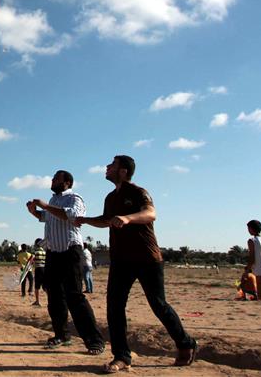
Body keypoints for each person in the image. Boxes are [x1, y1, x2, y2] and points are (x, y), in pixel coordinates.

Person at [77, 155, 197, 373]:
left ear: (123, 171)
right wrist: (85, 221)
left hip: (147, 259)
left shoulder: (139, 192)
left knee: (158, 305)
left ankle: (185, 343)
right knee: (114, 307)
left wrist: (127, 218)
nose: (107, 167)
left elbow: (151, 214)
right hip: (121, 260)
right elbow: (106, 220)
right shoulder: (110, 197)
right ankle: (122, 356)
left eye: (112, 165)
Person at [26, 170, 105, 355]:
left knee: (74, 296)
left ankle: (94, 340)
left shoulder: (75, 198)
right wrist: (35, 212)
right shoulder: (53, 201)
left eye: (56, 179)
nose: (52, 181)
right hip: (53, 252)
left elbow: (70, 216)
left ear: (67, 182)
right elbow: (47, 218)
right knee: (54, 296)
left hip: (70, 251)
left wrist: (44, 205)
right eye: (52, 178)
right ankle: (61, 335)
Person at [32, 238, 47, 306]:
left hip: (38, 269)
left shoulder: (36, 252)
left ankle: (37, 301)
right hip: (44, 270)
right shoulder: (45, 252)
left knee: (37, 287)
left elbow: (33, 262)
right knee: (45, 287)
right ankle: (50, 301)